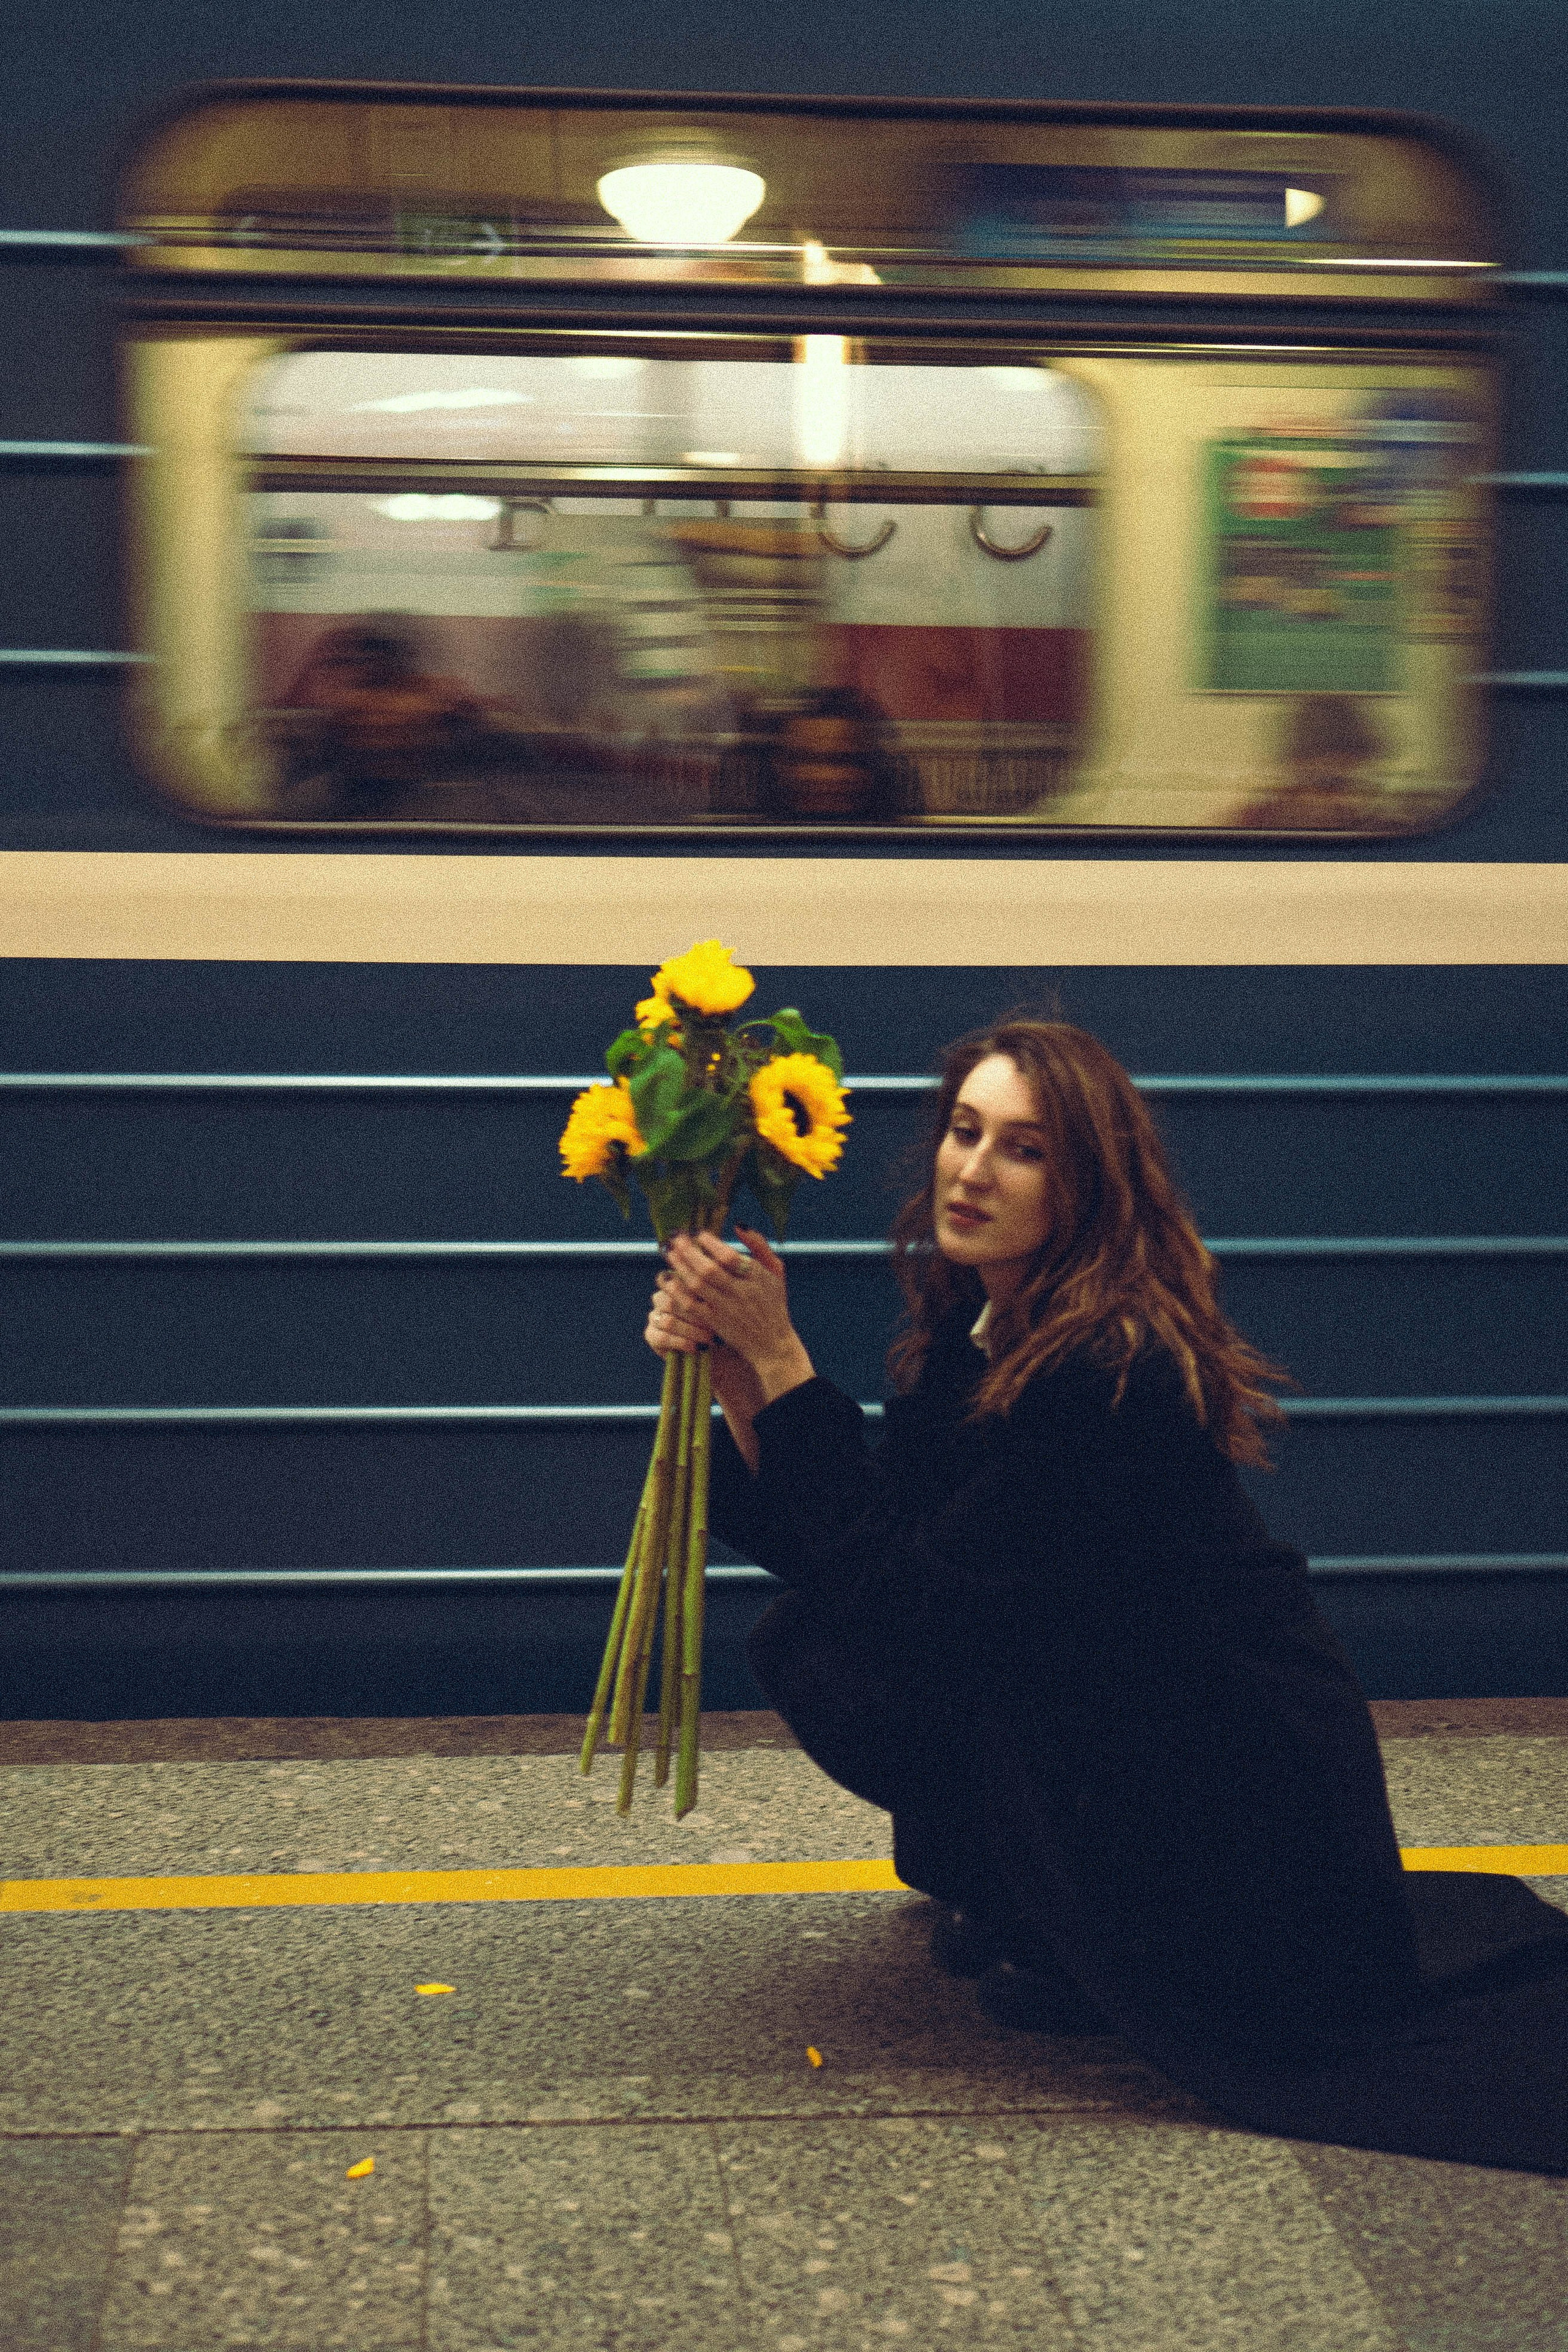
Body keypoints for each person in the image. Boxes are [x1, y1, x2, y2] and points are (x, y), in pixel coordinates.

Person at [646, 1017, 1568, 2174]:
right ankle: (1041, 1904)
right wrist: (741, 1380)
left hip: (1231, 1791)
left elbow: (919, 1607)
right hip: (1137, 1739)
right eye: (964, 1131)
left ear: (1089, 1187)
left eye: (1023, 1150)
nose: (972, 1169)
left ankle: (1089, 1928)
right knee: (828, 1637)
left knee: (863, 1648)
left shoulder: (1111, 1368)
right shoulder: (984, 1328)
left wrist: (784, 1366)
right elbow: (865, 1540)